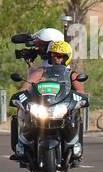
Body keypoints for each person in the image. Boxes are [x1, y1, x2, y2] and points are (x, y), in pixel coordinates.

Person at [9, 27, 65, 158]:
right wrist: (30, 62)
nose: (38, 47)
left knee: (75, 112)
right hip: (41, 100)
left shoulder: (64, 65)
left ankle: (74, 142)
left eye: (42, 45)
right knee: (20, 108)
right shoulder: (42, 66)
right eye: (39, 44)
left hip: (59, 100)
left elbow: (75, 86)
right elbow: (32, 81)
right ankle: (21, 145)